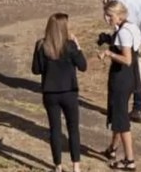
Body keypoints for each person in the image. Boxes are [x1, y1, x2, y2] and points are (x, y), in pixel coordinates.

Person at [31, 13, 86, 172]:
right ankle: (76, 166)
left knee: (55, 129)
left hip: (50, 93)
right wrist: (78, 46)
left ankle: (58, 166)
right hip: (69, 92)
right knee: (73, 128)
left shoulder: (41, 45)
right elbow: (83, 66)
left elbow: (36, 70)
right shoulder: (70, 46)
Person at [99, 0, 141, 170]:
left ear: (119, 15)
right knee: (118, 114)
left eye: (110, 15)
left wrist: (109, 53)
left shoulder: (123, 32)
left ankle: (129, 160)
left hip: (121, 78)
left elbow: (126, 59)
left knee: (122, 120)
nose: (107, 18)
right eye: (106, 15)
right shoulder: (131, 27)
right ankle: (112, 149)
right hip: (131, 78)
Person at [107, 0, 141, 122]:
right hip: (137, 36)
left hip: (123, 35)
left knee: (119, 71)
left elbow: (113, 22)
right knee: (138, 72)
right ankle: (137, 108)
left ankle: (116, 106)